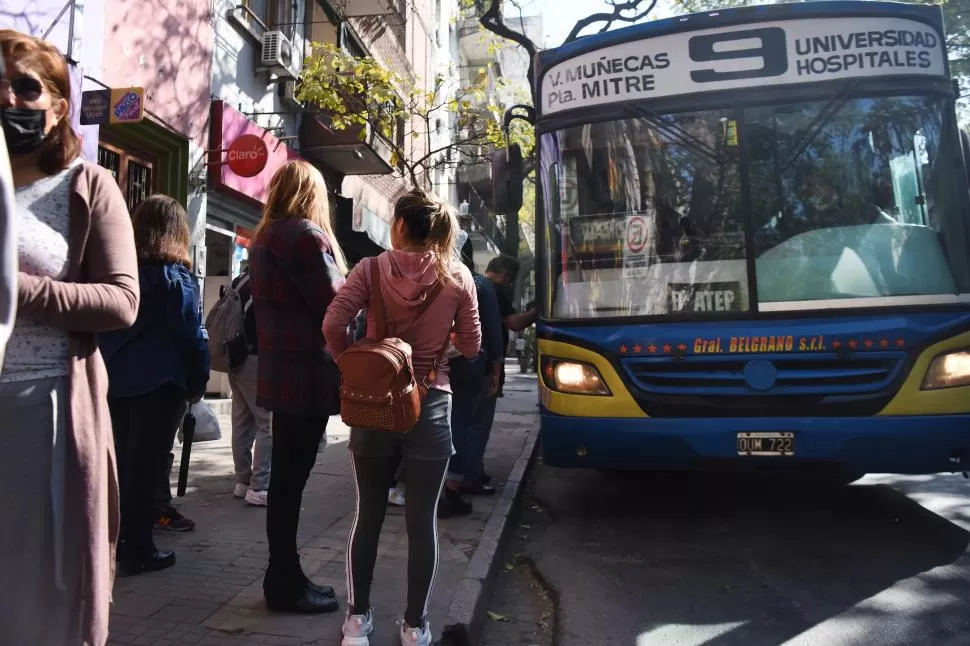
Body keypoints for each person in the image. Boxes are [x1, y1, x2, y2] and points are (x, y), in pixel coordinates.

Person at [0, 29, 139, 646]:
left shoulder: (86, 185)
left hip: (42, 411)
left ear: (58, 106)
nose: (7, 98)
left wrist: (16, 288)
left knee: (34, 603)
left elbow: (122, 301)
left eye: (25, 87)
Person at [324, 188, 481, 646]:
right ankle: (415, 626)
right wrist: (439, 349)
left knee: (367, 514)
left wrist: (351, 364)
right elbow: (473, 347)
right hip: (431, 404)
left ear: (398, 225)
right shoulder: (458, 277)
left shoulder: (370, 269)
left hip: (373, 404)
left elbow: (333, 324)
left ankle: (357, 621)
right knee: (421, 521)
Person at [249, 159, 346, 614]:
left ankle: (284, 575)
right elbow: (335, 306)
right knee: (291, 482)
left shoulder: (265, 238)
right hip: (306, 375)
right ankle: (284, 580)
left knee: (286, 481)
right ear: (312, 194)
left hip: (281, 374)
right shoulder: (305, 236)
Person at [99, 195, 210, 576]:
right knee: (145, 468)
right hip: (159, 383)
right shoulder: (174, 277)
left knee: (121, 464)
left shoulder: (119, 274)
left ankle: (114, 543)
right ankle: (138, 548)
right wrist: (198, 380)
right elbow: (192, 336)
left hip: (114, 381)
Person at [468, 255, 536, 485]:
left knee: (466, 422)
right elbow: (514, 323)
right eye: (511, 280)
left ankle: (463, 473)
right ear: (505, 275)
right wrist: (537, 311)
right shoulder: (493, 290)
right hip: (487, 367)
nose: (510, 284)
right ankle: (471, 475)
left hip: (466, 364)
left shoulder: (473, 284)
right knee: (479, 424)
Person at [449, 242, 504, 500]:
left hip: (434, 364)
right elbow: (493, 330)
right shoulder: (480, 284)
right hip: (471, 364)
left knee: (441, 422)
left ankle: (444, 481)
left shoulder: (435, 278)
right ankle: (464, 479)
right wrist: (496, 370)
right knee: (468, 422)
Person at [228, 261, 273, 507]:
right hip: (255, 357)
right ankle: (260, 485)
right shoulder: (264, 284)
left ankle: (242, 481)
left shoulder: (240, 280)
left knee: (242, 422)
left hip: (235, 358)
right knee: (267, 422)